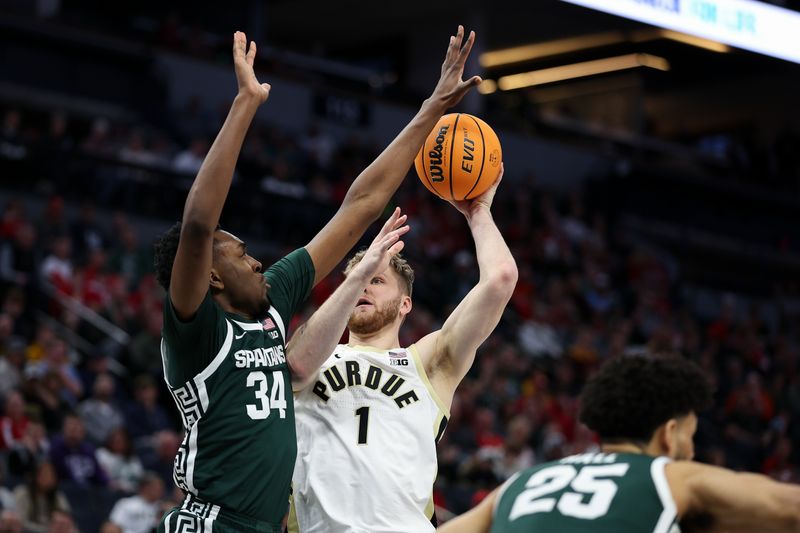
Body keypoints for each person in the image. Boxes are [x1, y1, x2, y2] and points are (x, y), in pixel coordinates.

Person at [153, 25, 480, 533]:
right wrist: (245, 105)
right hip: (211, 522)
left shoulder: (272, 303)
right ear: (211, 277)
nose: (259, 262)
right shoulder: (195, 333)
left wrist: (432, 107)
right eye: (241, 256)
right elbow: (198, 224)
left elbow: (362, 205)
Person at [288, 160, 518, 533]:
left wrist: (478, 212)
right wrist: (362, 270)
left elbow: (501, 279)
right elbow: (295, 366)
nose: (363, 286)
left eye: (377, 280)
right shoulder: (311, 353)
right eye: (357, 280)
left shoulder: (427, 362)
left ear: (405, 304)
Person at [436, 354, 800, 533]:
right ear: (669, 434)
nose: (690, 452)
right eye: (689, 437)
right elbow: (786, 506)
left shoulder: (522, 483)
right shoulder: (673, 476)